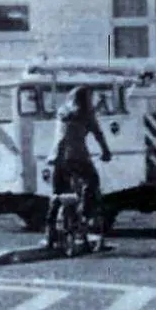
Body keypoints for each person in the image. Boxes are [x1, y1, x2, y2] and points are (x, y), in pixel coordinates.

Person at [43, 85, 112, 248]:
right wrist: (106, 152)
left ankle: (49, 230)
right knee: (92, 181)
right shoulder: (86, 114)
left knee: (57, 193)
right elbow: (98, 133)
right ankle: (83, 215)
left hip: (58, 157)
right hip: (77, 156)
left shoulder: (63, 112)